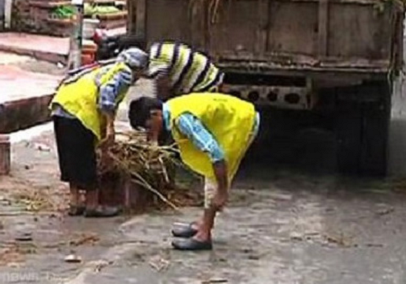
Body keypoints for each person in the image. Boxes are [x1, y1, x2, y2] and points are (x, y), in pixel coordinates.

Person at [128, 93, 260, 251]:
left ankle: (204, 236)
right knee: (210, 173)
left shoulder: (183, 120)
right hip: (235, 116)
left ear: (155, 114)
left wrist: (222, 191)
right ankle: (203, 224)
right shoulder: (169, 108)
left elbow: (216, 154)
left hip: (241, 123)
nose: (150, 131)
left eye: (149, 127)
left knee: (214, 181)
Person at [51, 47, 150, 217]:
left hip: (61, 105)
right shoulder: (125, 73)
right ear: (138, 68)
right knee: (87, 158)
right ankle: (92, 204)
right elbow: (106, 96)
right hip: (80, 111)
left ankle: (75, 202)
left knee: (69, 157)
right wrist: (111, 127)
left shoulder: (104, 66)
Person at [143, 39, 224, 101]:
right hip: (210, 74)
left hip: (205, 83)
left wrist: (160, 104)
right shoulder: (157, 48)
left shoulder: (157, 60)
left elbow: (162, 85)